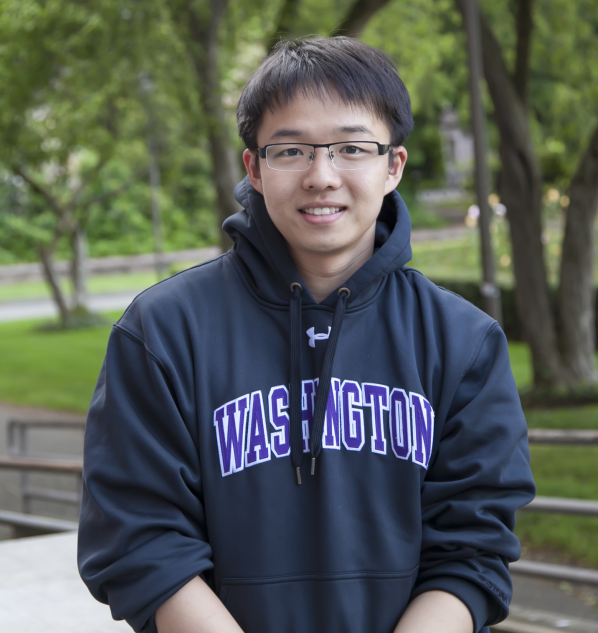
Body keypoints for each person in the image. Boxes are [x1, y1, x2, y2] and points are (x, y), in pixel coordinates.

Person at [78, 36, 535, 633]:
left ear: (393, 166)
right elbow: (139, 539)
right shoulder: (162, 331)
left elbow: (473, 549)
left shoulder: (463, 342)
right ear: (254, 168)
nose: (322, 177)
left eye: (352, 148)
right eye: (291, 151)